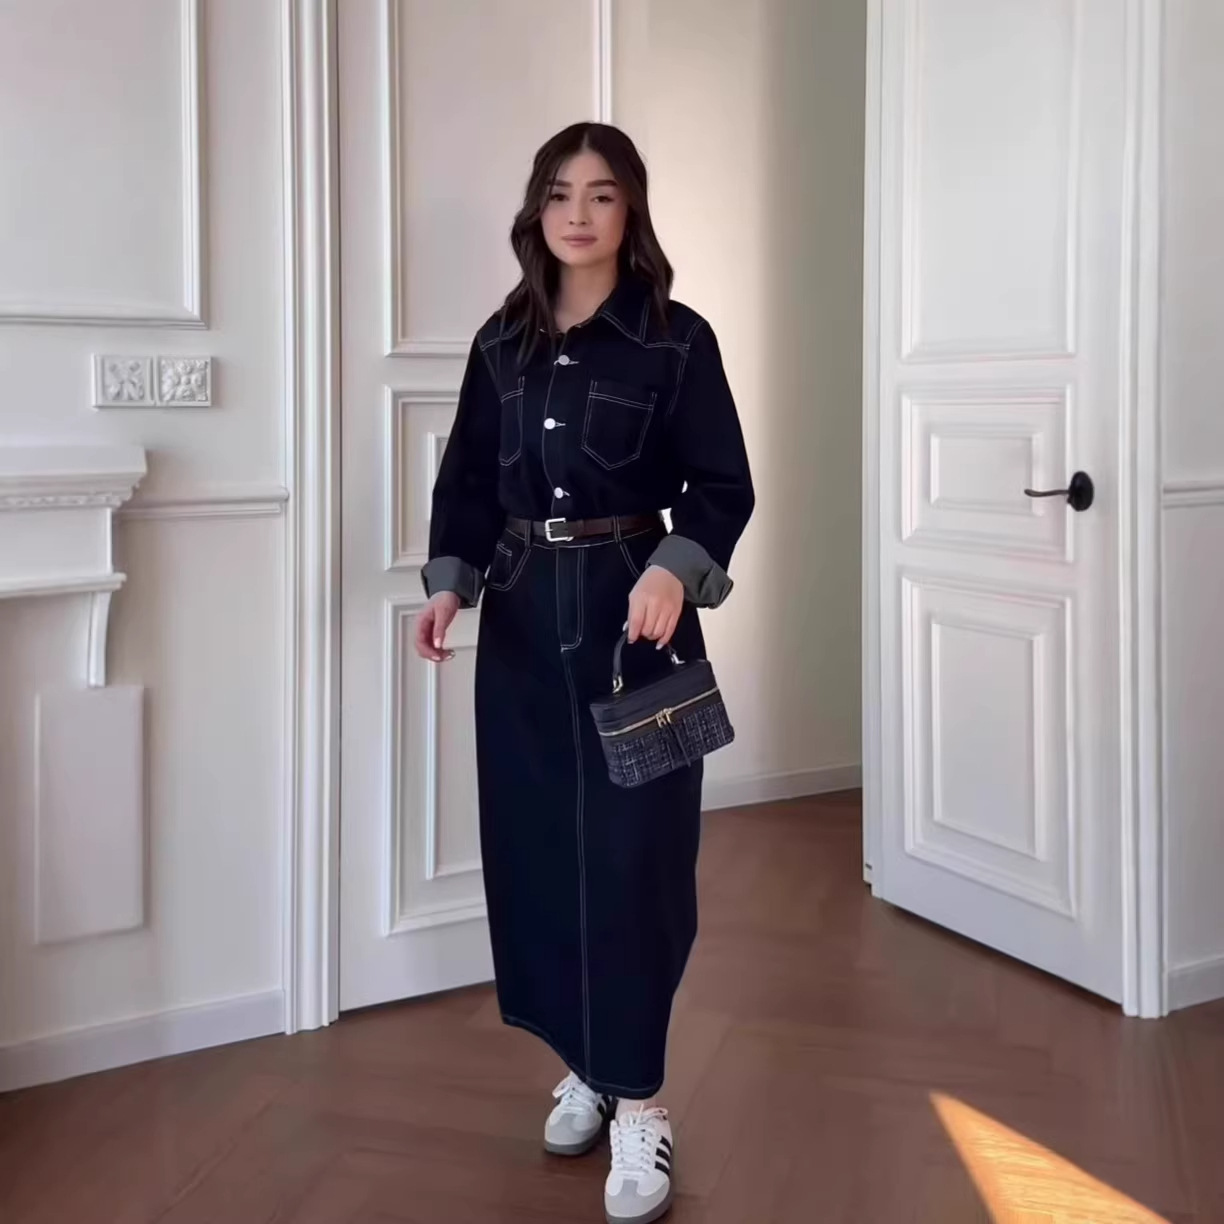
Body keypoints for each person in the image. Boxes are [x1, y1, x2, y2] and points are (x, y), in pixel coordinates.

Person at [415, 121, 754, 1224]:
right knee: (539, 853)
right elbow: (468, 481)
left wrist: (672, 567)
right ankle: (588, 1067)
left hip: (636, 628)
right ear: (537, 211)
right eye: (560, 193)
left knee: (636, 861)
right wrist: (451, 583)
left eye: (601, 194)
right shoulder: (500, 342)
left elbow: (721, 484)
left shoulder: (677, 342)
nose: (578, 213)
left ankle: (641, 1097)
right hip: (520, 621)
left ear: (630, 211)